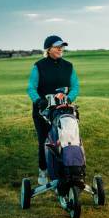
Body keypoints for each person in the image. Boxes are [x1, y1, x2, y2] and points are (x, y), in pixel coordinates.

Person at [27, 35, 79, 185]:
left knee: (65, 139)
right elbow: (31, 88)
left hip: (63, 110)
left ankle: (64, 170)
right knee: (45, 141)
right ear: (48, 49)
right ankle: (43, 170)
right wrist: (38, 101)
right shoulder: (39, 66)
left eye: (62, 47)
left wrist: (69, 98)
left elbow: (75, 87)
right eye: (57, 47)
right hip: (43, 112)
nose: (60, 49)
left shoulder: (68, 66)